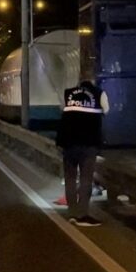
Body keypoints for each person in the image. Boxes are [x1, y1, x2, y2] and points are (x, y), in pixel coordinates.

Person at [55, 76, 109, 227]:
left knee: (70, 178)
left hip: (69, 142)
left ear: (78, 83)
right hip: (88, 143)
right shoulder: (99, 93)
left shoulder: (68, 93)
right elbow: (106, 110)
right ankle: (82, 214)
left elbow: (62, 111)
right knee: (86, 179)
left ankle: (72, 213)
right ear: (92, 82)